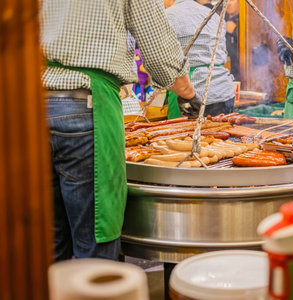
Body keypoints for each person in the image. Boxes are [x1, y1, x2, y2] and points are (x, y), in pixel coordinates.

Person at [41, 0, 201, 261]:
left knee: (47, 240)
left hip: (27, 104)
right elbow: (157, 44)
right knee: (94, 239)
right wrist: (188, 93)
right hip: (87, 103)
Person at [165, 0, 236, 117]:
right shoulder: (214, 16)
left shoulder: (167, 16)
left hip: (190, 93)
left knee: (182, 134)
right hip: (224, 91)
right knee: (221, 132)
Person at [225, 0, 240, 81]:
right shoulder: (219, 20)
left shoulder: (246, 21)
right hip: (225, 74)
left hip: (241, 74)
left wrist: (235, 32)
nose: (228, 3)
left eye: (232, 0)